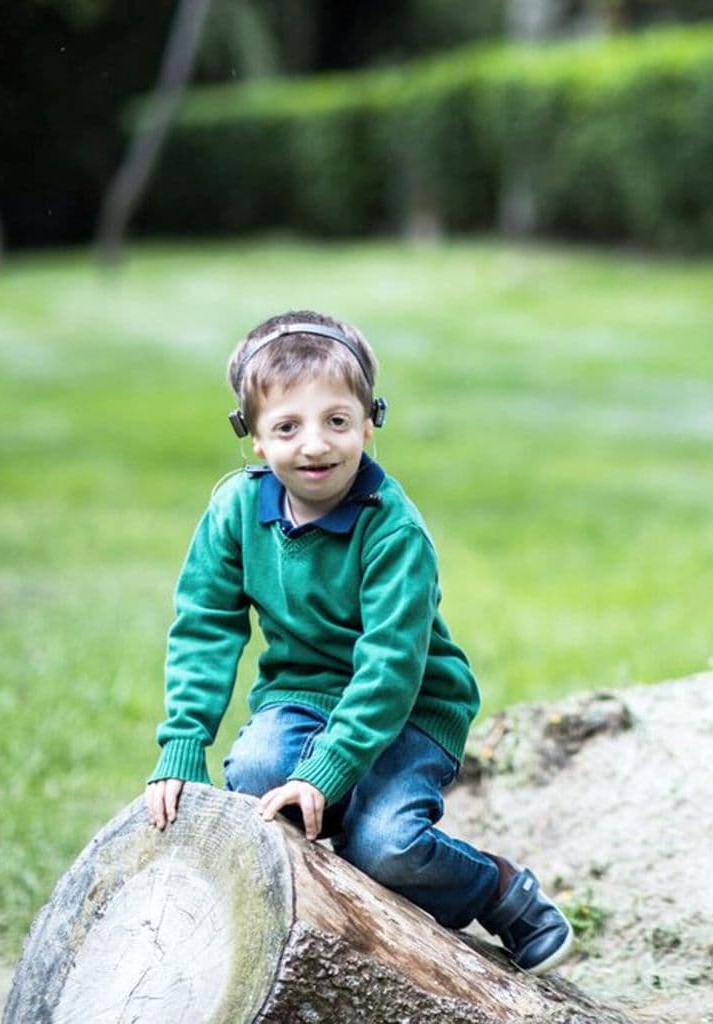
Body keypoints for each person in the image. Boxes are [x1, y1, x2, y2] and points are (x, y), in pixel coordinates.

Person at [144, 309, 573, 975]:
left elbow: (390, 667)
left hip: (408, 708)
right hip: (301, 694)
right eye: (287, 426)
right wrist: (181, 743)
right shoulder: (234, 511)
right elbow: (205, 624)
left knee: (386, 846)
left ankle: (498, 890)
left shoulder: (392, 529)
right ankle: (322, 859)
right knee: (258, 778)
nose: (315, 444)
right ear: (253, 437)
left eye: (336, 422)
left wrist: (326, 768)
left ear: (369, 422)